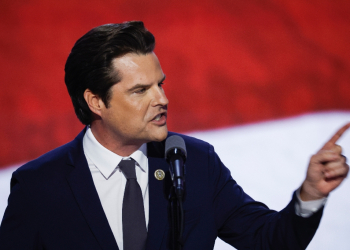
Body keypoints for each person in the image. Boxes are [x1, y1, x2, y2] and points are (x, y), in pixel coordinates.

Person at [0, 21, 348, 250]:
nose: (162, 99)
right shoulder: (38, 186)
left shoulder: (196, 162)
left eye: (160, 84)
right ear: (96, 102)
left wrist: (310, 195)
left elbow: (269, 241)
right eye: (141, 90)